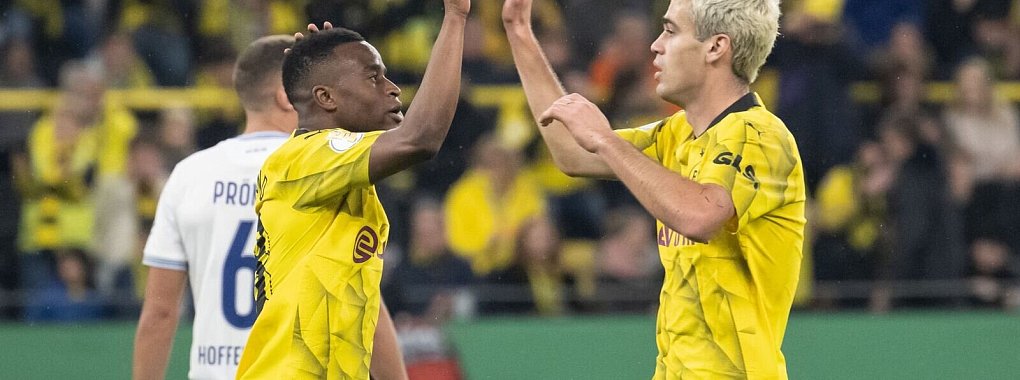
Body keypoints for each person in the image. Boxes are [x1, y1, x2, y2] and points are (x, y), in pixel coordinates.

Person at [502, 0, 806, 378]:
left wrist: (605, 139)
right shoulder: (676, 133)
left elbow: (699, 215)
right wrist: (518, 31)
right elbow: (573, 153)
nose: (655, 45)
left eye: (671, 31)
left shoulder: (761, 135)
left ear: (716, 47)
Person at [236, 0, 470, 377]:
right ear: (326, 98)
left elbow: (360, 306)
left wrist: (324, 61)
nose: (393, 90)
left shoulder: (338, 177)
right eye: (373, 76)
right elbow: (421, 138)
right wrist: (455, 17)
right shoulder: (304, 157)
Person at [131, 35, 298, 380]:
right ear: (286, 95)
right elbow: (361, 299)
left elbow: (161, 312)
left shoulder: (189, 174)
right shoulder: (324, 171)